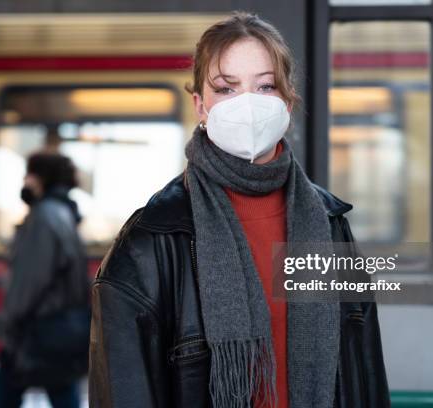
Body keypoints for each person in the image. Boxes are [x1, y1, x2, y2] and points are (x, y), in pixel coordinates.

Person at [89, 12, 390, 408]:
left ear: (287, 101)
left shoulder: (329, 224)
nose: (247, 105)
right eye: (226, 89)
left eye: (265, 86)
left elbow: (363, 369)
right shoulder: (152, 239)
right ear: (200, 105)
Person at [0, 152, 90, 408]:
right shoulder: (63, 214)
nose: (25, 180)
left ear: (40, 178)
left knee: (5, 393)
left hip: (37, 327)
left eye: (29, 174)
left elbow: (29, 280)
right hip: (60, 326)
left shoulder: (43, 218)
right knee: (61, 389)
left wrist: (9, 320)